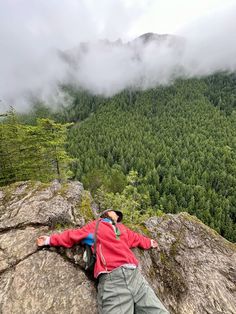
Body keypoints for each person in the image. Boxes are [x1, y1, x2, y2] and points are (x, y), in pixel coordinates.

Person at [36, 209, 169, 314]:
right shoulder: (96, 226)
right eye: (115, 213)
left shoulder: (122, 229)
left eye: (118, 216)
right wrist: (49, 240)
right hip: (113, 278)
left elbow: (136, 238)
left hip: (135, 276)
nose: (117, 216)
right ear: (106, 214)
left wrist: (150, 242)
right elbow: (73, 235)